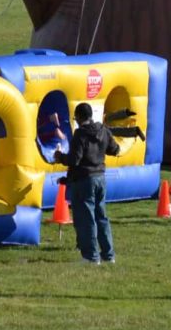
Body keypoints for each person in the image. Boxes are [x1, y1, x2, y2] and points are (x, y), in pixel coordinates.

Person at [49, 102, 120, 265]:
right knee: (101, 216)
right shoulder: (103, 130)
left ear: (80, 117)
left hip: (84, 180)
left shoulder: (80, 134)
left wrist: (60, 157)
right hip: (101, 178)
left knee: (86, 218)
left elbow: (74, 160)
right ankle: (108, 255)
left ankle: (91, 257)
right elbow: (115, 149)